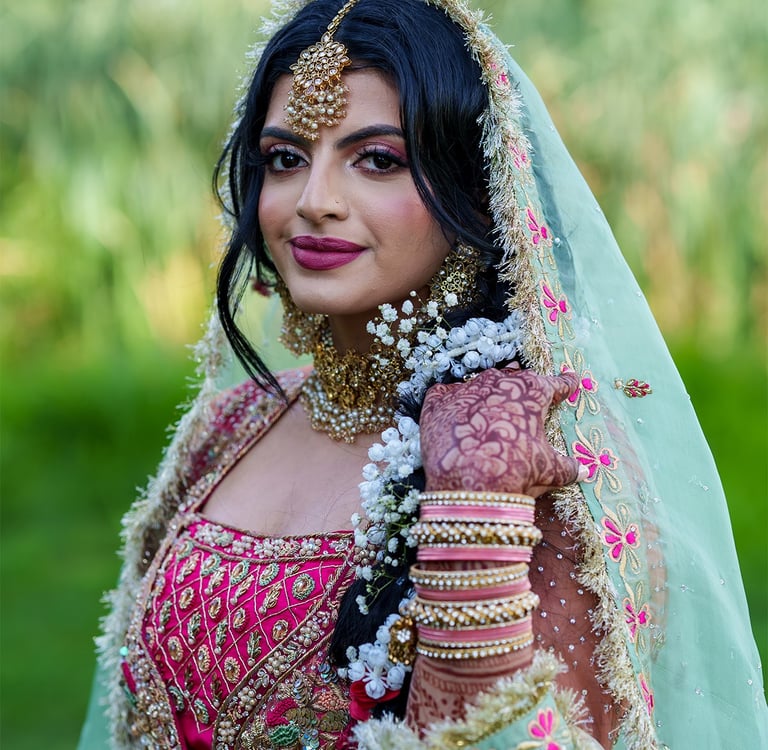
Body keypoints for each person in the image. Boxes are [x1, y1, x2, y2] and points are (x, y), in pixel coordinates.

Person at [78, 1, 767, 748]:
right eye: (285, 158)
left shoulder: (528, 462)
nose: (315, 202)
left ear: (476, 188)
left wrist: (476, 516)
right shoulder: (232, 428)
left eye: (378, 160)